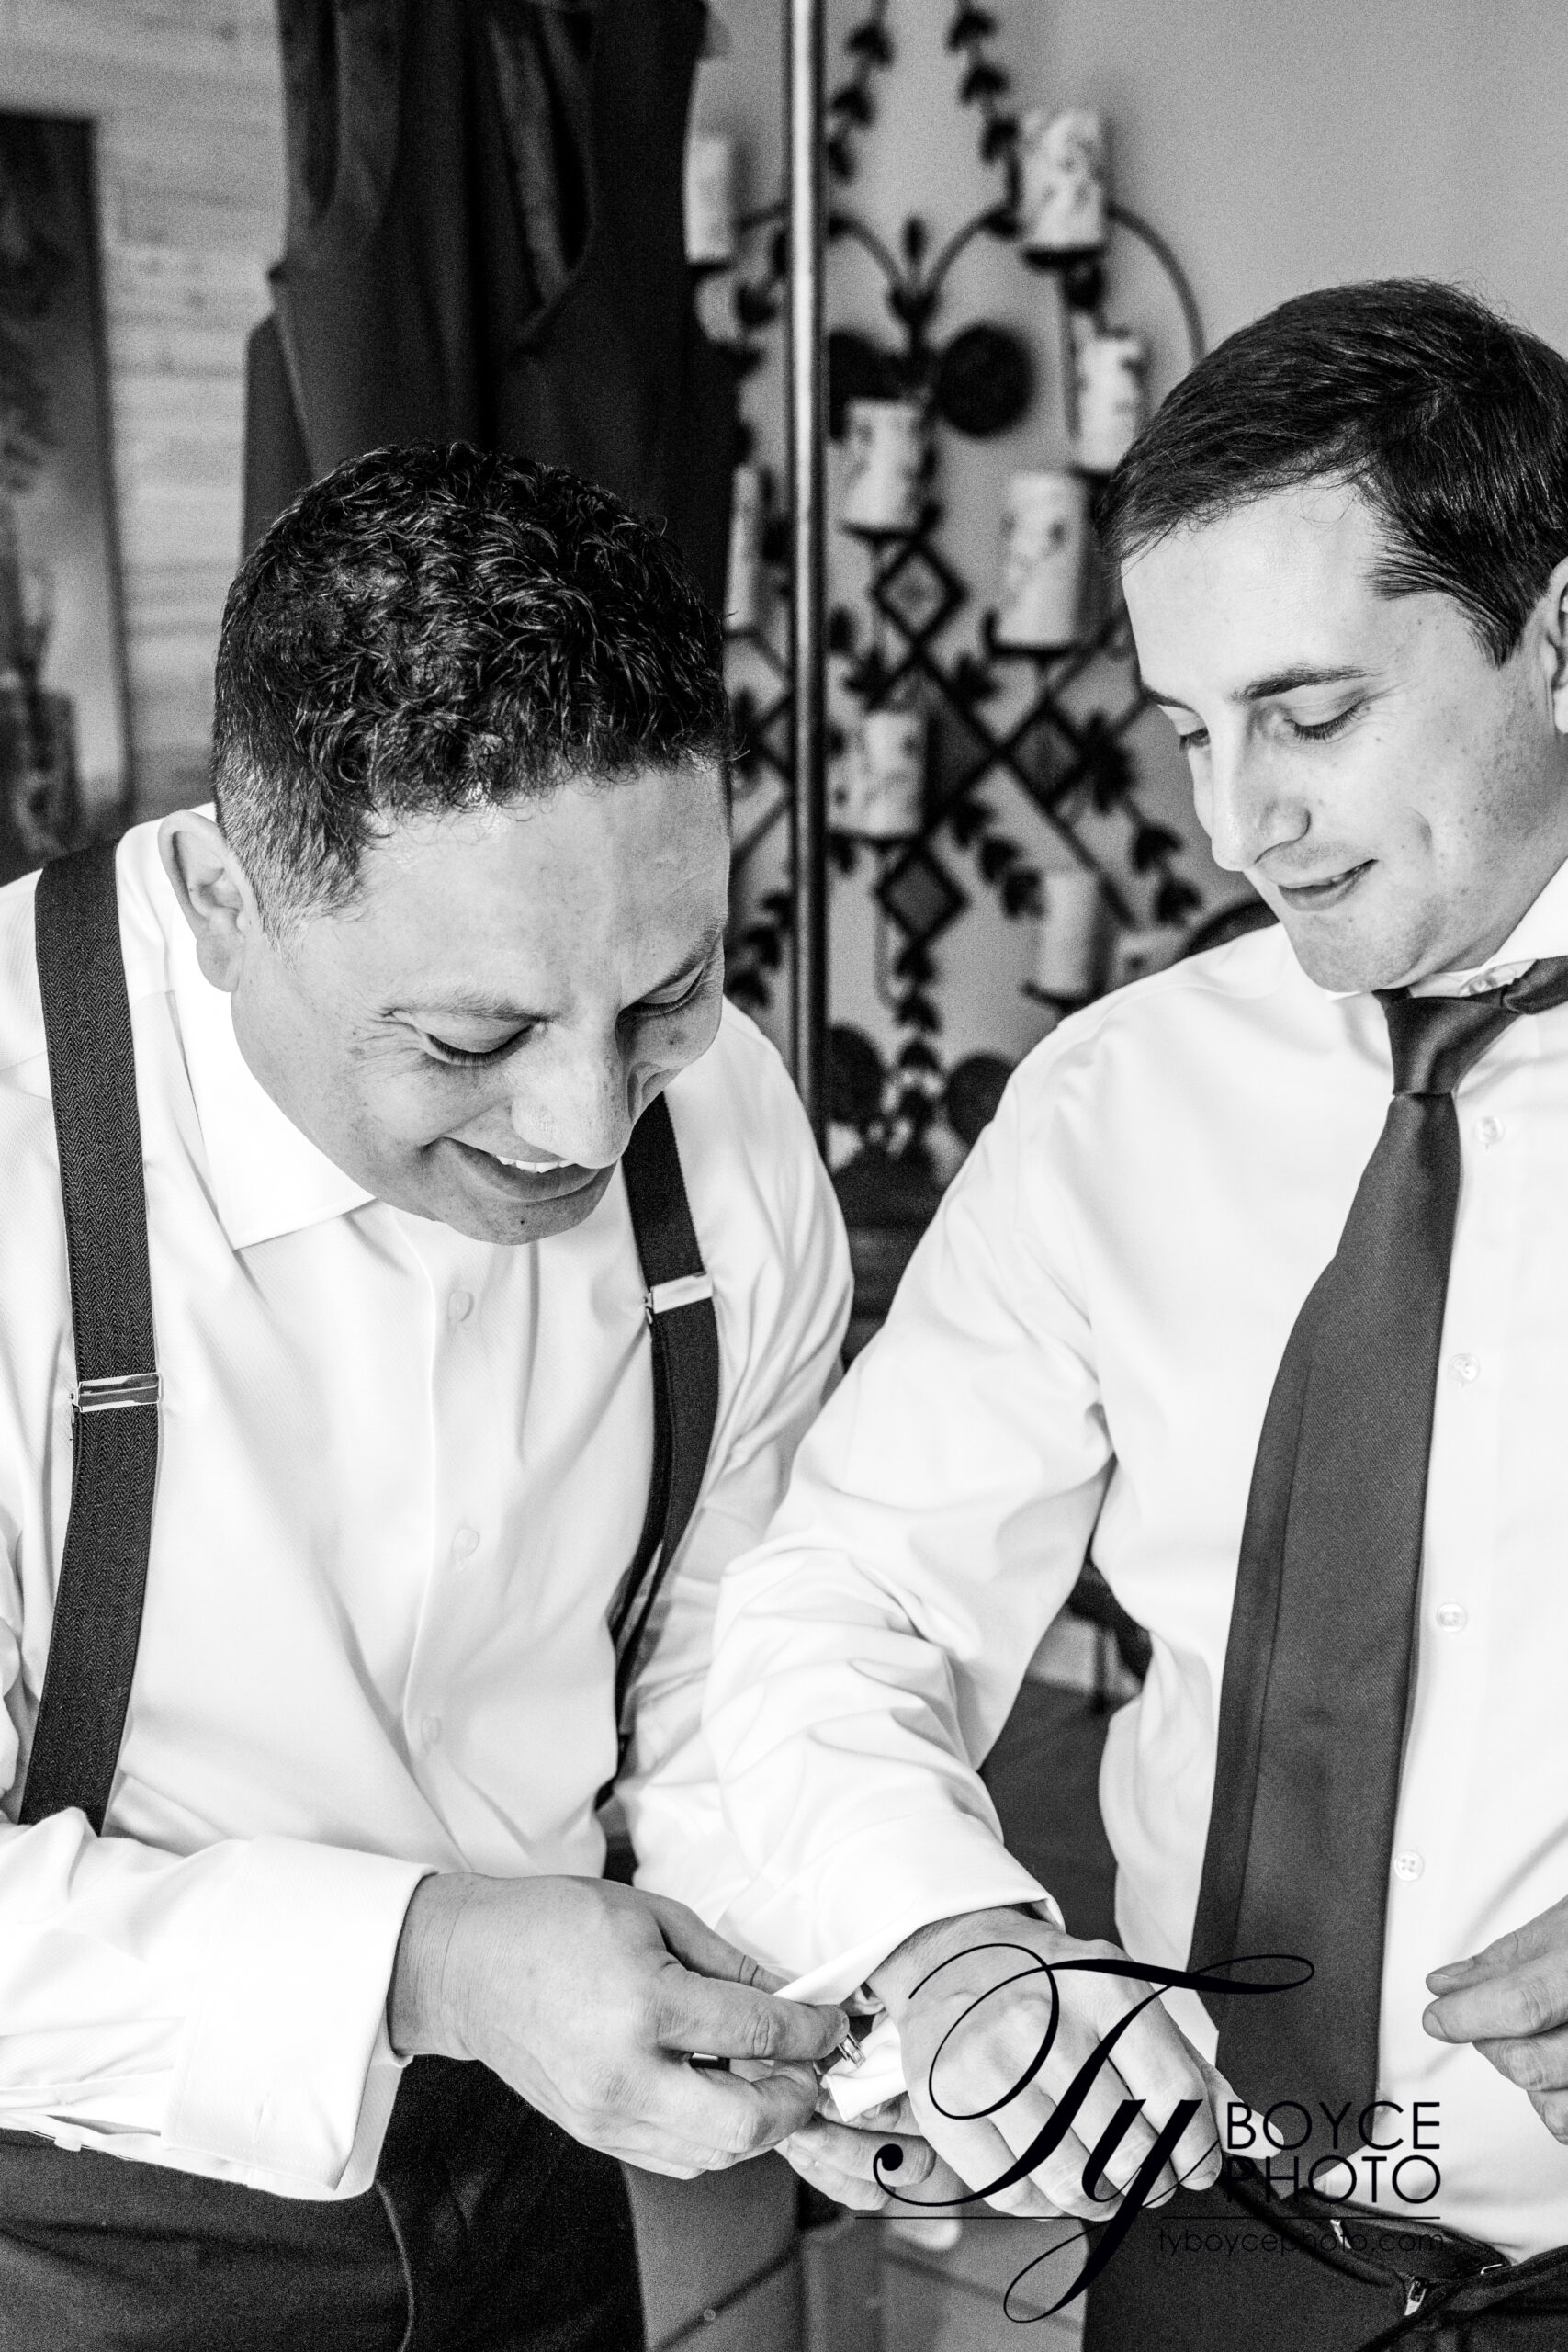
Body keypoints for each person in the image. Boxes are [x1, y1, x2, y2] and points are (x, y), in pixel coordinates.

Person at [699, 281, 1568, 2348]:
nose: (1231, 819)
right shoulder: (1109, 1102)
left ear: (1551, 639)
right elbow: (843, 1599)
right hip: (1207, 2248)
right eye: (1190, 726)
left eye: (1309, 711)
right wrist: (946, 1947)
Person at [0, 443, 876, 2351]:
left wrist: (867, 1960)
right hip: (73, 2199)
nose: (582, 1124)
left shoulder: (724, 1145)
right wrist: (429, 1959)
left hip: (539, 2161)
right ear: (230, 900)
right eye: (469, 1035)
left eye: (667, 989)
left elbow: (717, 1668)